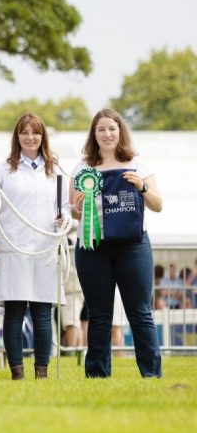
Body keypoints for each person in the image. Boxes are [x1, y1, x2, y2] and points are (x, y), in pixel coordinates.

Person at [0, 113, 70, 379]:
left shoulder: (55, 170)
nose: (30, 138)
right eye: (24, 133)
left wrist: (64, 220)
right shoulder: (3, 168)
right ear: (17, 137)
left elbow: (65, 209)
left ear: (43, 137)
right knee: (15, 312)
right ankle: (17, 372)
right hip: (14, 247)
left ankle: (42, 371)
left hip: (45, 249)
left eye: (35, 133)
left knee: (42, 312)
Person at [71, 108, 163, 378]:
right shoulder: (83, 167)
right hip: (92, 248)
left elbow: (158, 204)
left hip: (133, 246)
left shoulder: (137, 162)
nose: (107, 134)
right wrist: (76, 207)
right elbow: (74, 211)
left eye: (112, 128)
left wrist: (142, 188)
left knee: (141, 313)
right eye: (101, 130)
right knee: (98, 315)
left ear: (120, 131)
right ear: (94, 134)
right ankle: (97, 375)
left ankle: (151, 374)